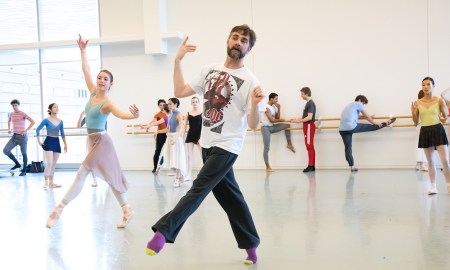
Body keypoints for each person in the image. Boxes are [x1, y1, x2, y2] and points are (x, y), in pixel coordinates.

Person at [145, 24, 262, 265]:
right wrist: (177, 61)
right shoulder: (210, 69)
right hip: (207, 144)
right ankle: (251, 245)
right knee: (232, 198)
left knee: (198, 188)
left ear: (248, 49)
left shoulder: (251, 80)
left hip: (228, 145)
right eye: (235, 37)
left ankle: (163, 232)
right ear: (228, 40)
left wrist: (256, 105)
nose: (238, 42)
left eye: (244, 41)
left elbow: (251, 124)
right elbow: (180, 90)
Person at [46, 34, 140, 229]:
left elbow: (122, 115)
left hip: (102, 142)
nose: (101, 80)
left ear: (110, 84)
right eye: (99, 78)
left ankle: (59, 209)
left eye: (105, 79)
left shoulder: (107, 103)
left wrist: (135, 116)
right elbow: (86, 70)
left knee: (82, 173)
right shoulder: (91, 93)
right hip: (92, 141)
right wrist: (82, 51)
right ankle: (127, 209)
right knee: (111, 177)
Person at [411, 77, 450, 195]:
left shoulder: (439, 101)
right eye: (423, 85)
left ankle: (449, 184)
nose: (426, 87)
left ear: (433, 86)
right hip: (425, 131)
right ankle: (433, 186)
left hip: (438, 129)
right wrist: (413, 112)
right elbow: (415, 121)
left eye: (428, 84)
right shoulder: (417, 103)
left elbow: (445, 118)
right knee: (430, 162)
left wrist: (444, 118)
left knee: (445, 161)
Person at [339, 95, 396, 172]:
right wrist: (375, 122)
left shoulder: (350, 105)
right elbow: (366, 116)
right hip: (351, 127)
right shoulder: (358, 104)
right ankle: (386, 123)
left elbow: (357, 117)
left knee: (348, 148)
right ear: (359, 100)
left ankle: (352, 166)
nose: (363, 105)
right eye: (363, 103)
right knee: (372, 126)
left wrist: (369, 116)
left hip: (342, 129)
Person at [261, 92, 295, 172]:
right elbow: (272, 120)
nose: (277, 101)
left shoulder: (273, 107)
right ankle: (267, 167)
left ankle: (289, 144)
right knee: (267, 148)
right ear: (271, 99)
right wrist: (281, 120)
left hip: (272, 127)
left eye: (277, 99)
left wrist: (279, 108)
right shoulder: (266, 107)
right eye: (276, 99)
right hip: (265, 128)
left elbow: (277, 117)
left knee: (287, 126)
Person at [36, 103, 67, 188]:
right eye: (54, 107)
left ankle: (51, 183)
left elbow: (63, 134)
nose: (57, 108)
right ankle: (46, 183)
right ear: (50, 109)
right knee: (49, 163)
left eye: (57, 107)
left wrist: (65, 144)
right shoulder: (46, 120)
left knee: (53, 164)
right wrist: (39, 141)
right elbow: (37, 130)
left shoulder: (61, 121)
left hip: (56, 142)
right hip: (49, 141)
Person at [158, 97, 187, 187]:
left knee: (176, 159)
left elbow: (181, 128)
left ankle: (177, 178)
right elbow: (167, 129)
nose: (168, 105)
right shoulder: (170, 115)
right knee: (170, 161)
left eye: (170, 103)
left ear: (176, 104)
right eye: (168, 103)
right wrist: (157, 131)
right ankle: (180, 175)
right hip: (169, 138)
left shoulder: (179, 114)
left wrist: (175, 138)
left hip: (176, 139)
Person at [3, 99, 35, 176]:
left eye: (15, 105)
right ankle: (17, 164)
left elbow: (33, 122)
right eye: (13, 105)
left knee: (24, 153)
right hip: (14, 136)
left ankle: (24, 170)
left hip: (22, 137)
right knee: (5, 150)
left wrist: (26, 130)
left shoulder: (23, 113)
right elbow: (9, 121)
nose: (14, 107)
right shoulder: (11, 114)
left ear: (18, 105)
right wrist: (9, 129)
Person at [291, 87, 316, 172]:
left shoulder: (310, 103)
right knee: (309, 146)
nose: (301, 96)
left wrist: (299, 121)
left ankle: (310, 165)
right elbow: (306, 116)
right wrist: (297, 120)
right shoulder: (308, 103)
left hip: (309, 125)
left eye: (302, 94)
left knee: (309, 146)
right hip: (307, 126)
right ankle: (312, 165)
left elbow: (310, 117)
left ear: (306, 93)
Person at [140, 99, 168, 173]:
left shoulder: (169, 113)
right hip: (160, 134)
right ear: (158, 106)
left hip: (168, 133)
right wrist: (147, 126)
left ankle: (162, 164)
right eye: (160, 105)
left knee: (168, 151)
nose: (162, 106)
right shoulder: (157, 114)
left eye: (163, 105)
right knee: (158, 151)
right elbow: (153, 122)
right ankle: (155, 167)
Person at [77, 110, 100, 187]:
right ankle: (95, 180)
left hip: (100, 139)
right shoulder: (86, 118)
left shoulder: (100, 116)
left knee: (101, 159)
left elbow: (104, 129)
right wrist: (81, 115)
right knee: (92, 160)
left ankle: (107, 178)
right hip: (90, 139)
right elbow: (78, 126)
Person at [182, 96, 203, 180]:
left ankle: (205, 175)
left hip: (199, 136)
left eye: (196, 102)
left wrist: (201, 137)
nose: (194, 103)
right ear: (191, 103)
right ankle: (188, 175)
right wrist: (181, 136)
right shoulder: (188, 113)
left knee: (203, 156)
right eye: (193, 102)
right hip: (190, 135)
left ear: (199, 102)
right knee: (189, 156)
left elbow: (205, 126)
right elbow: (184, 126)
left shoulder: (203, 112)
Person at [415, 90, 428, 171]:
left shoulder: (418, 104)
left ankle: (419, 164)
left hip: (422, 125)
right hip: (422, 126)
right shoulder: (419, 104)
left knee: (420, 145)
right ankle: (421, 164)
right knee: (422, 146)